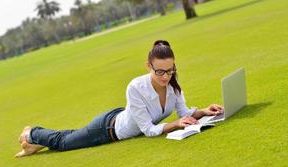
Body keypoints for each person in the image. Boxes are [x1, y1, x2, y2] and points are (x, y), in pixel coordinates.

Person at [15, 40, 223, 158]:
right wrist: (176, 124)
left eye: (170, 70)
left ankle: (33, 145)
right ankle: (32, 133)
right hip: (108, 129)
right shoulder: (135, 87)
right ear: (148, 66)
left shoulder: (173, 85)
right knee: (65, 142)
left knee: (72, 135)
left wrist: (204, 111)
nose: (166, 77)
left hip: (121, 117)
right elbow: (149, 130)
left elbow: (185, 113)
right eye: (160, 71)